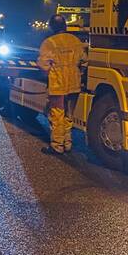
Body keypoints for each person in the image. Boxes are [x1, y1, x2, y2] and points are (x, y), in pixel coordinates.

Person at [37, 13, 86, 155]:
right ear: (65, 25)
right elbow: (84, 60)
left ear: (51, 27)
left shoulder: (49, 43)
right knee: (69, 115)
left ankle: (57, 145)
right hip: (74, 83)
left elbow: (43, 64)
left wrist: (48, 73)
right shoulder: (75, 40)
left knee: (57, 115)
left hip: (58, 84)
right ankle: (68, 143)